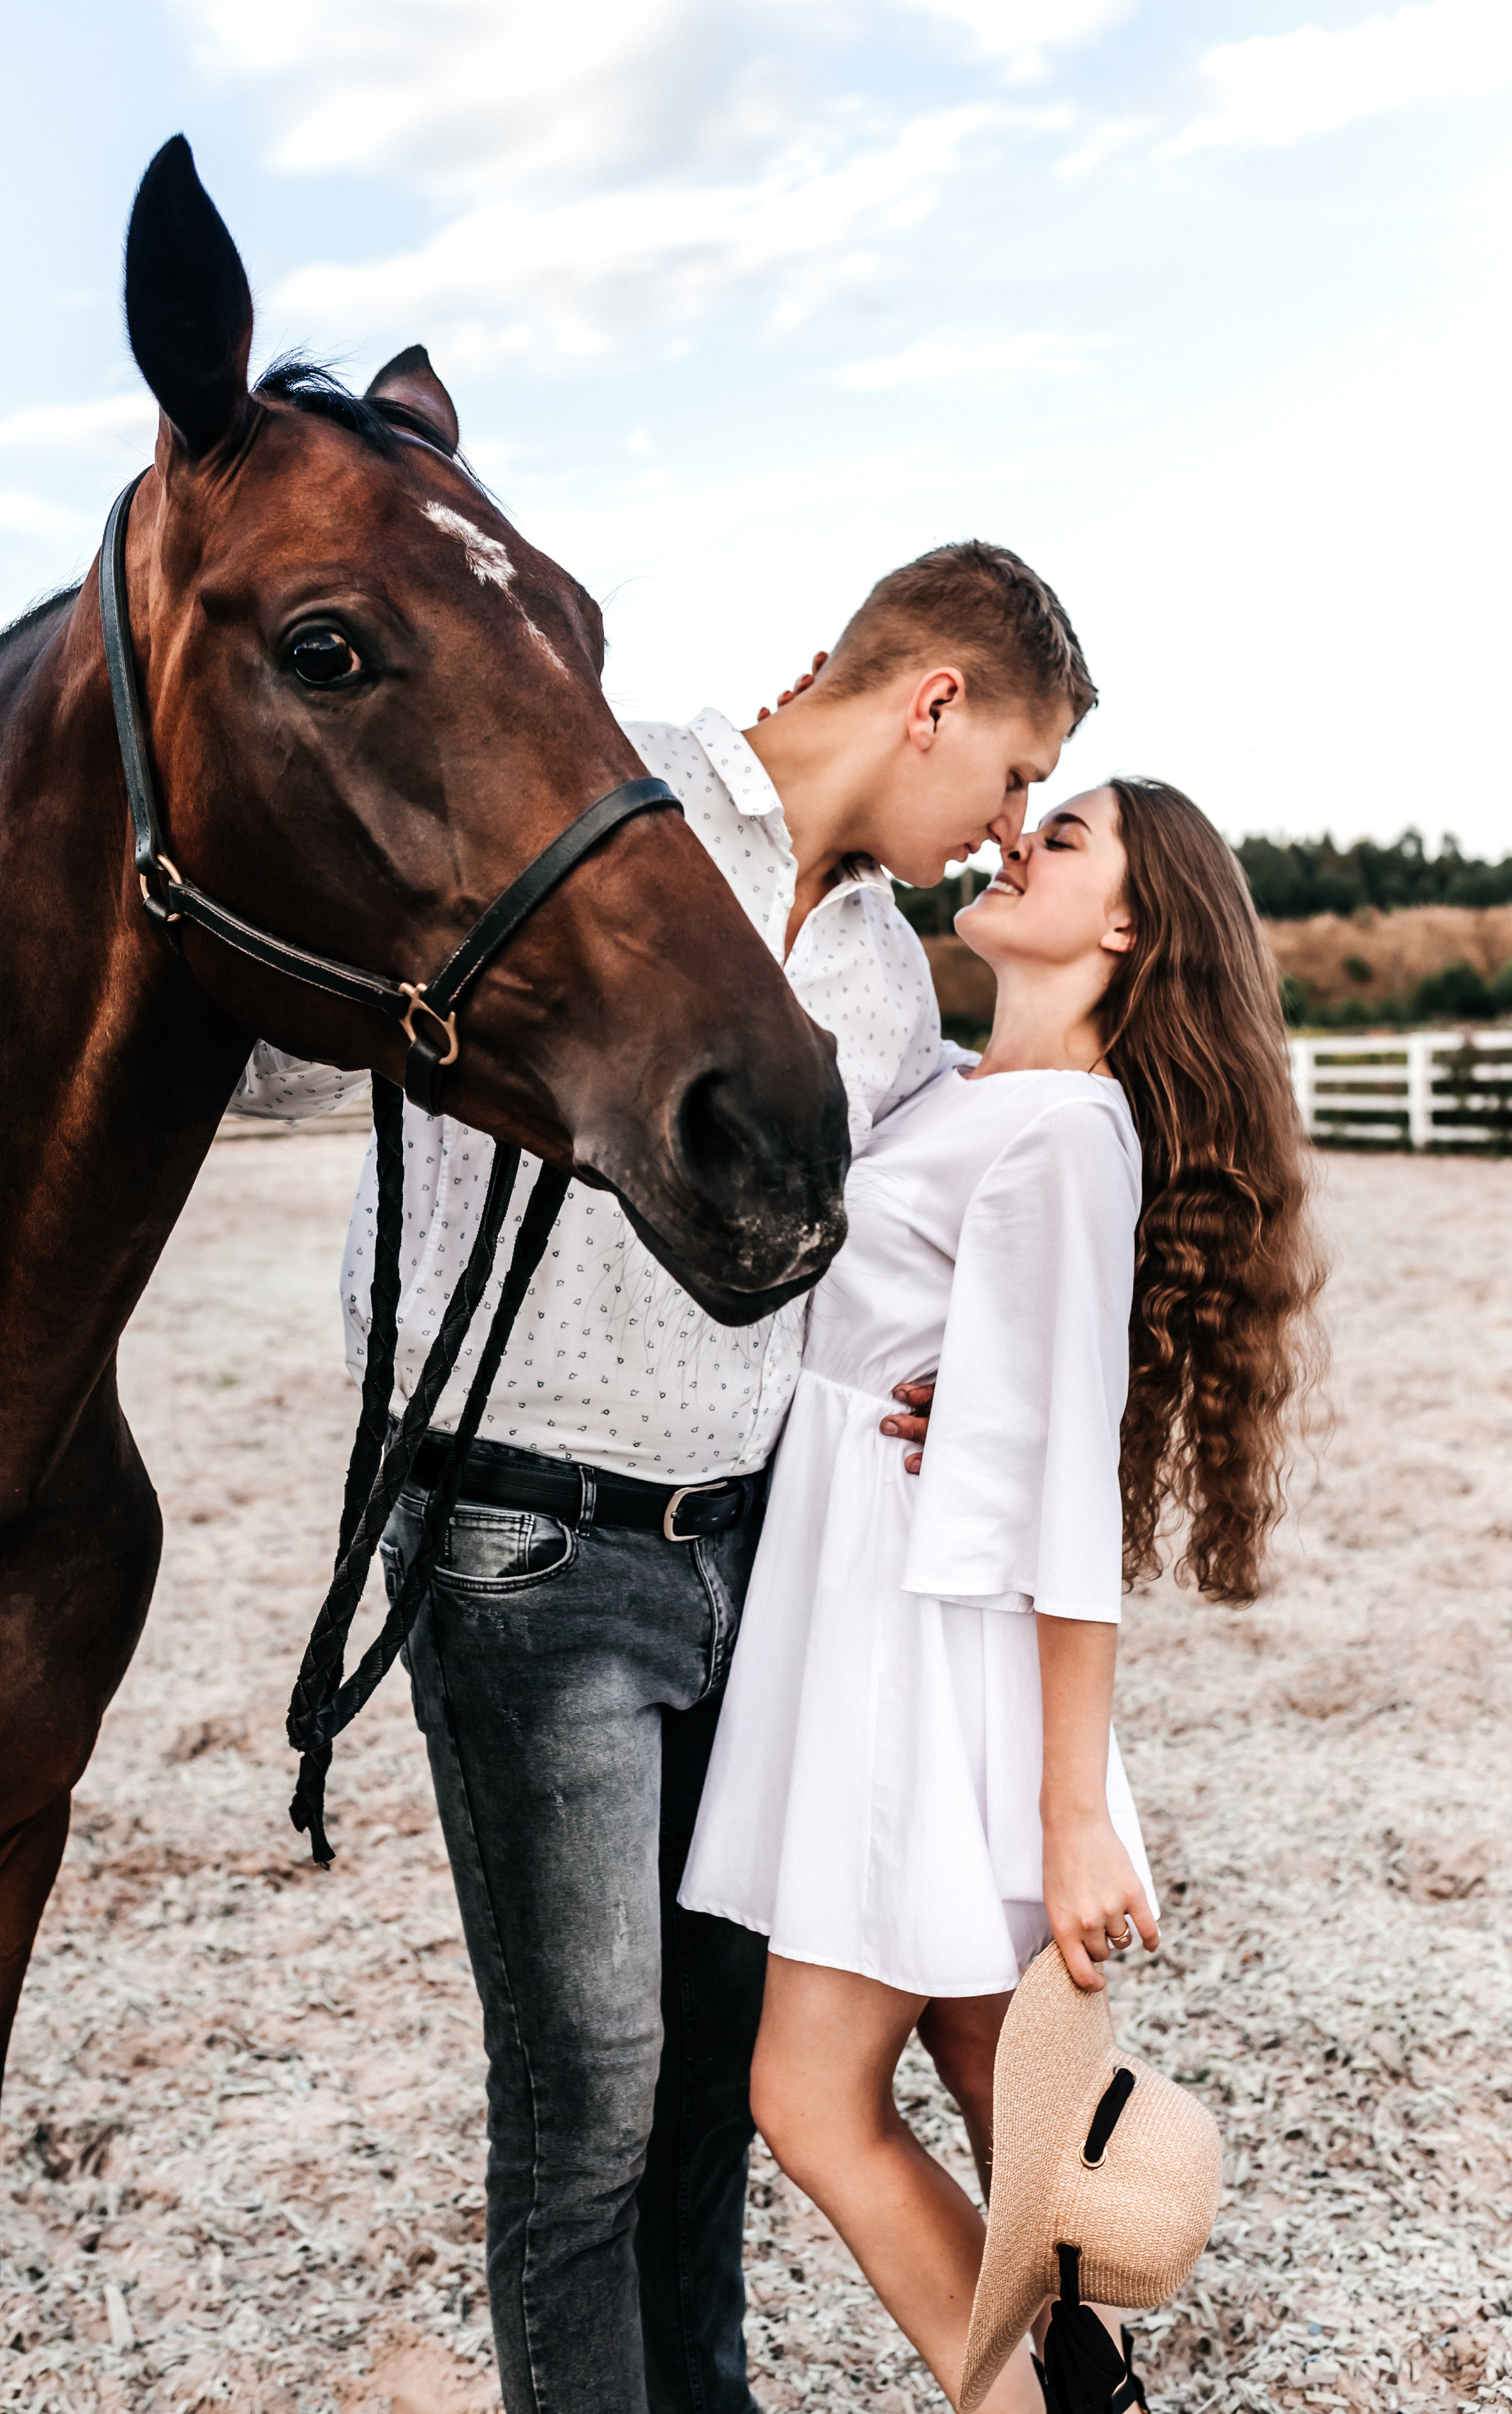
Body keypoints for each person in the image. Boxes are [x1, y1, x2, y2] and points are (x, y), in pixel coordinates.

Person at [231, 540, 1099, 2414]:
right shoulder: (588, 786)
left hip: (756, 1560)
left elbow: (948, 1230)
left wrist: (973, 1385)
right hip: (524, 1534)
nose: (1007, 828)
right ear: (932, 702)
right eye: (1014, 772)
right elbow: (312, 1025)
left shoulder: (880, 976)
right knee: (590, 2093)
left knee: (713, 2065)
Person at [678, 776, 1325, 2410]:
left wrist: (1070, 1810)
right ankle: (1083, 2377)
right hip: (868, 1608)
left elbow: (1059, 1499)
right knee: (991, 2064)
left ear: (1125, 923)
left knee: (810, 2102)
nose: (1021, 836)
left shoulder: (1066, 1132)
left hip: (919, 1648)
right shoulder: (963, 1092)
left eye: (1073, 833)